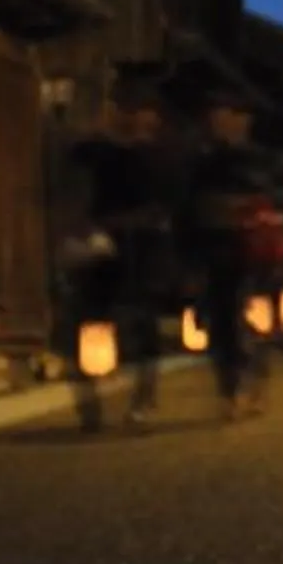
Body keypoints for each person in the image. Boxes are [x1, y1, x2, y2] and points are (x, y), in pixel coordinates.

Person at [63, 73, 178, 432]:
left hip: (143, 249)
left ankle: (144, 397)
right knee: (90, 322)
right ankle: (89, 400)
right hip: (101, 247)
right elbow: (74, 182)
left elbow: (168, 204)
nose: (142, 120)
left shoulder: (160, 156)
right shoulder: (95, 151)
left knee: (143, 325)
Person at [186, 84, 283, 419]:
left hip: (254, 248)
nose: (219, 123)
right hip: (216, 246)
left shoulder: (262, 159)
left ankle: (252, 381)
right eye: (215, 117)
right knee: (221, 320)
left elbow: (281, 197)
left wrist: (251, 209)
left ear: (244, 120)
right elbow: (189, 205)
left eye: (227, 116)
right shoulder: (202, 159)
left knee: (247, 316)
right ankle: (229, 390)